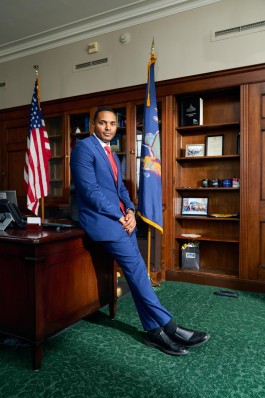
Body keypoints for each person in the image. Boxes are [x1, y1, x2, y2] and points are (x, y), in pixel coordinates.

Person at [70, 107, 210, 356]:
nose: (108, 128)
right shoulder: (83, 148)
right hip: (103, 221)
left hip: (123, 220)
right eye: (103, 123)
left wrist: (132, 212)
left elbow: (121, 189)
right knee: (137, 273)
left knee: (137, 277)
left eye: (112, 124)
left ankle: (154, 333)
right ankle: (171, 327)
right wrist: (120, 215)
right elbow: (90, 191)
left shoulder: (111, 153)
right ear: (93, 125)